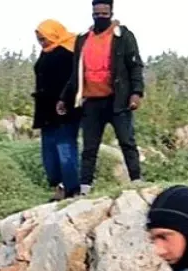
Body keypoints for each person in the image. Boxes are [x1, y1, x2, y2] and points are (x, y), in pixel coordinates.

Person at [57, 0, 144, 195]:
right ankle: (85, 188)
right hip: (92, 102)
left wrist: (136, 93)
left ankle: (137, 182)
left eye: (105, 14)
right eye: (97, 14)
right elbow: (76, 73)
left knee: (127, 143)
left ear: (111, 13)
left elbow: (135, 65)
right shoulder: (83, 39)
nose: (100, 17)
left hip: (118, 100)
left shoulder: (123, 36)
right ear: (92, 13)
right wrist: (64, 98)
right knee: (89, 148)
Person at [34, 20, 80, 202]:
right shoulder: (47, 52)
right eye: (39, 39)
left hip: (65, 109)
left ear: (54, 34)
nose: (42, 43)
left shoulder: (70, 52)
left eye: (44, 38)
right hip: (46, 110)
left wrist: (65, 100)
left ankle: (72, 189)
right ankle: (59, 187)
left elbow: (74, 81)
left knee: (65, 148)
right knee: (49, 152)